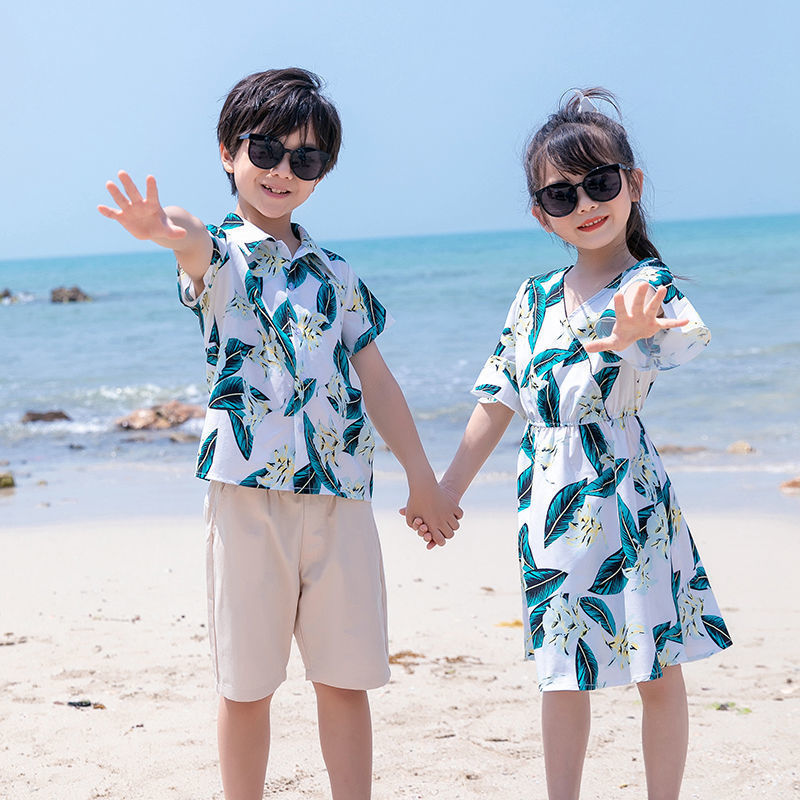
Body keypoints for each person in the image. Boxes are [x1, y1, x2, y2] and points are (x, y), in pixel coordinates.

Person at [98, 67, 461, 800]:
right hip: (247, 497)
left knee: (346, 678)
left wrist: (423, 477)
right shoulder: (224, 258)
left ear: (323, 173)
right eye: (265, 149)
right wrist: (167, 232)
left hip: (341, 496)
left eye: (306, 159)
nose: (281, 171)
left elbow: (379, 382)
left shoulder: (336, 271)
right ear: (230, 152)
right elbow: (193, 245)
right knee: (246, 683)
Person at [411, 88, 732, 800]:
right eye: (561, 195)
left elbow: (679, 343)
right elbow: (498, 400)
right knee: (561, 668)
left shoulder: (649, 285)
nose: (585, 203)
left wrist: (634, 336)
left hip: (627, 494)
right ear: (540, 212)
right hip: (549, 497)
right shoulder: (533, 297)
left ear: (632, 184)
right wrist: (446, 492)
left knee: (656, 665)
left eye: (600, 182)